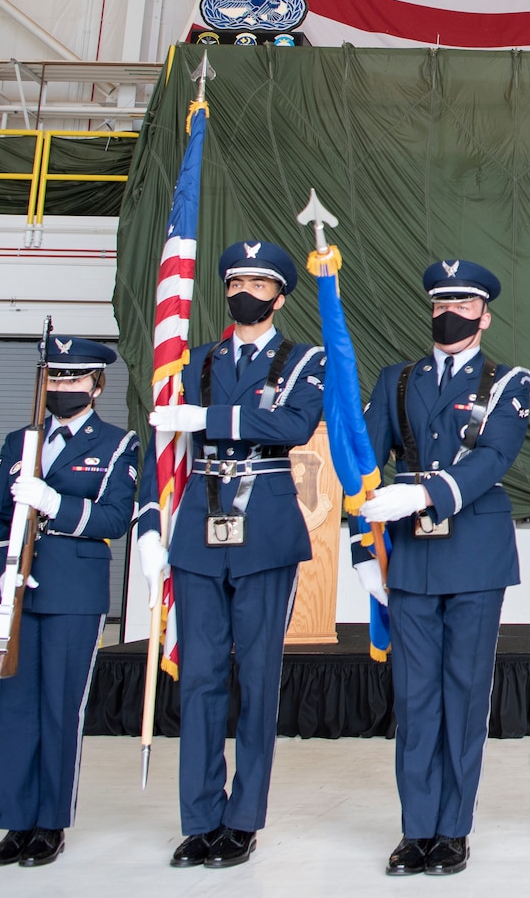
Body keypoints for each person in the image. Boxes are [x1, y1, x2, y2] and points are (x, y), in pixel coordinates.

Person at [137, 240, 325, 871]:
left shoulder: (304, 361)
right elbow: (159, 444)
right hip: (197, 525)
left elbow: (294, 426)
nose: (246, 290)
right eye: (237, 280)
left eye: (260, 282)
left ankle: (243, 819)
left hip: (265, 525)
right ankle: (199, 817)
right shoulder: (194, 362)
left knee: (259, 678)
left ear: (280, 294)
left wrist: (212, 415)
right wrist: (146, 527)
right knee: (200, 679)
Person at [355, 259, 530, 878]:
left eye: (463, 303)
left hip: (474, 556)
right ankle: (416, 829)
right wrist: (360, 551)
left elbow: (493, 458)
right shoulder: (397, 380)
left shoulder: (508, 381)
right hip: (408, 558)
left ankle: (453, 830)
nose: (449, 312)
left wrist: (425, 494)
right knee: (414, 699)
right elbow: (361, 465)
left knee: (463, 695)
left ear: (485, 315)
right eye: (440, 302)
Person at [0, 338, 138, 868]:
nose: (61, 388)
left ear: (96, 385)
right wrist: (5, 562)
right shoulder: (18, 441)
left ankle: (50, 823)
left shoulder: (117, 443)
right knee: (16, 710)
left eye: (73, 380)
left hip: (73, 591)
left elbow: (115, 519)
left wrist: (55, 504)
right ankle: (16, 822)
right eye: (54, 379)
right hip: (17, 592)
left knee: (59, 710)